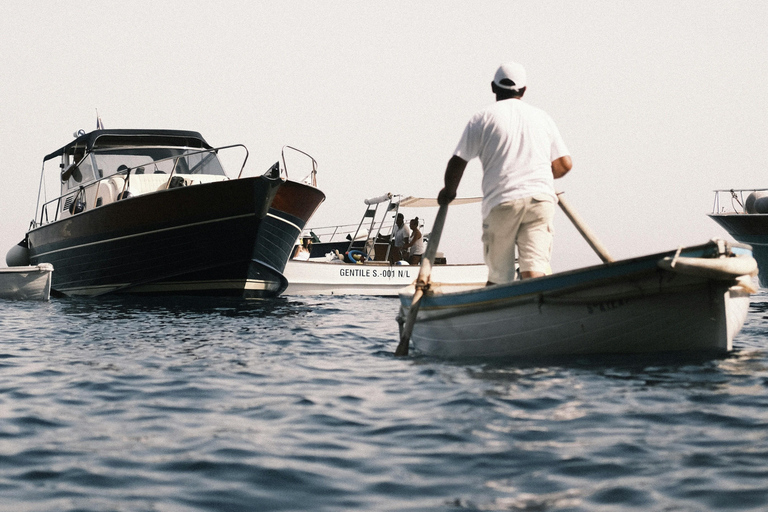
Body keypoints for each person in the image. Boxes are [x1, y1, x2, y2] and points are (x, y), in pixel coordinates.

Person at [437, 61, 572, 285]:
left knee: (499, 277)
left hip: (503, 201)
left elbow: (457, 162)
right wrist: (538, 174)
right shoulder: (542, 117)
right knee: (534, 271)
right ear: (524, 90)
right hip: (541, 199)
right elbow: (565, 164)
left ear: (493, 87)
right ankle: (535, 305)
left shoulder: (482, 118)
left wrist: (448, 191)